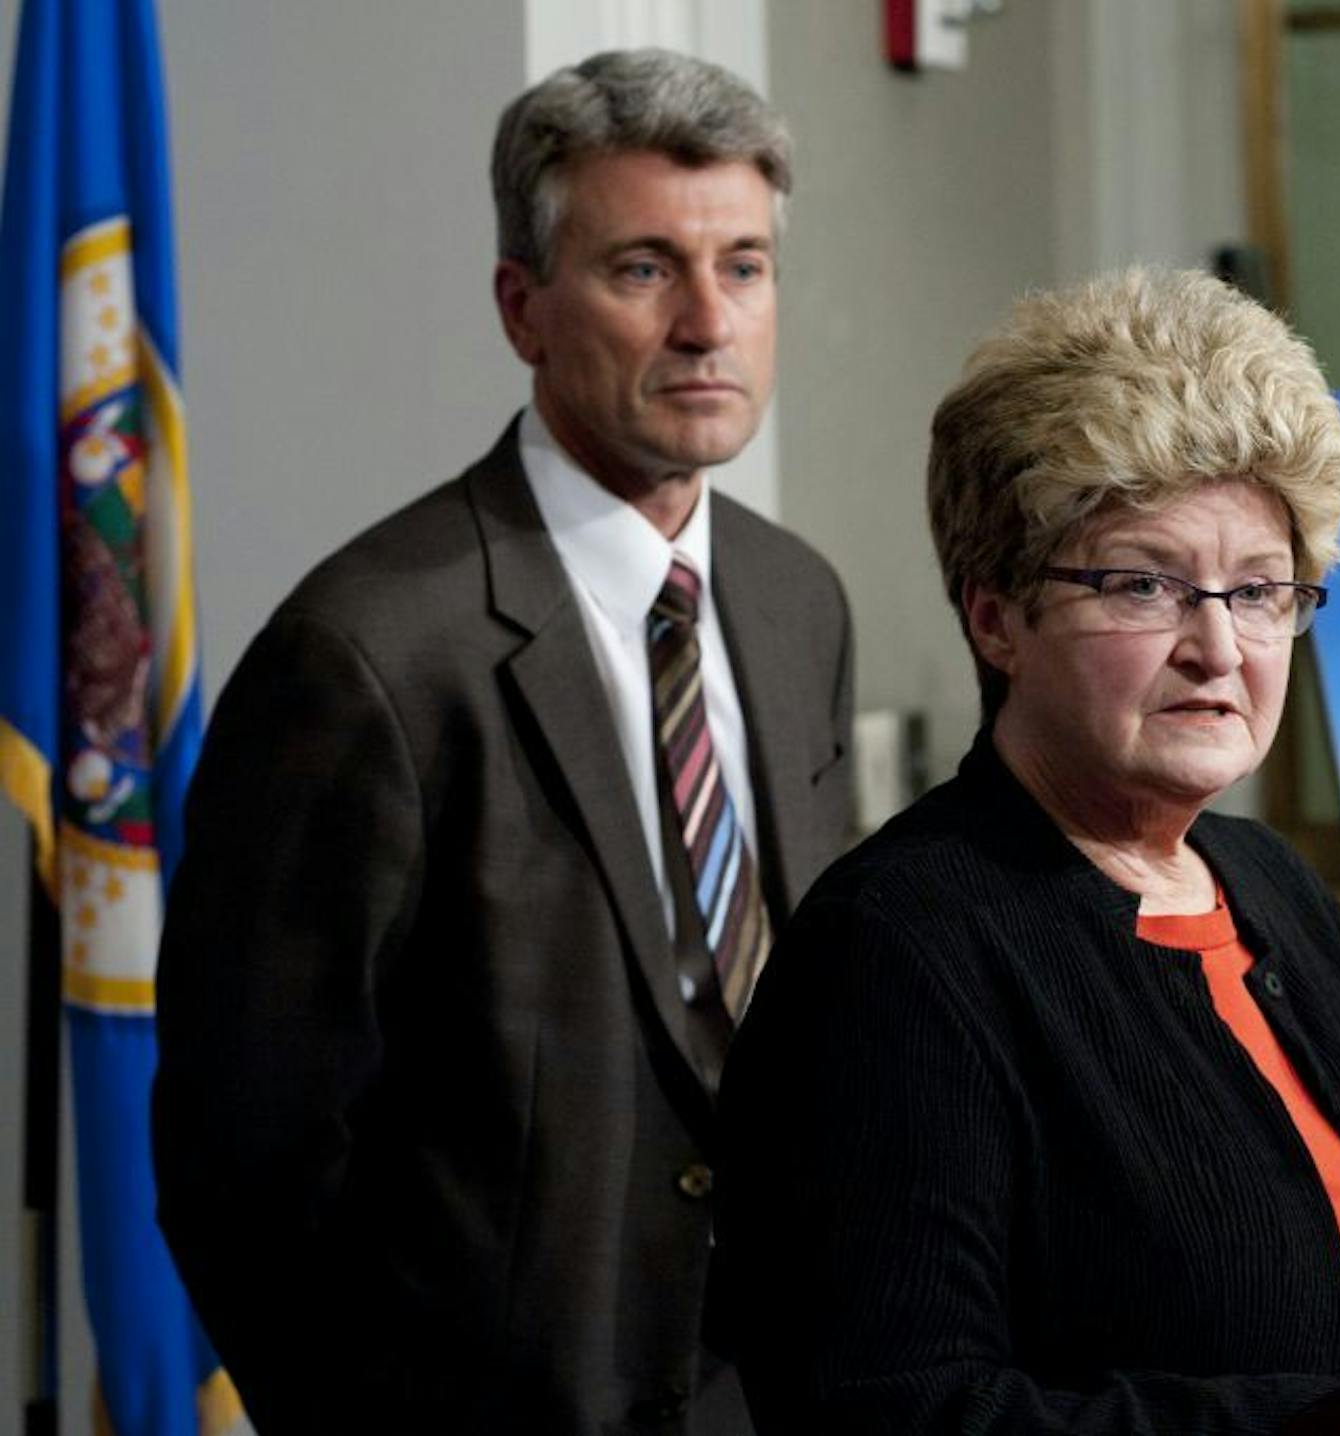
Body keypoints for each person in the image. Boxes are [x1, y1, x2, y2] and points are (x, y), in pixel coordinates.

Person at [720, 268, 1340, 1434]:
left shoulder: (1270, 883)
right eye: (1146, 583)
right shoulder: (899, 952)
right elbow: (899, 1409)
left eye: (1261, 590)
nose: (1220, 646)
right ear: (996, 614)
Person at [151, 50, 853, 1434]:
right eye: (645, 269)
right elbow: (244, 1158)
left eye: (747, 266)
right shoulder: (365, 656)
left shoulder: (794, 600)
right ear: (522, 308)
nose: (709, 321)